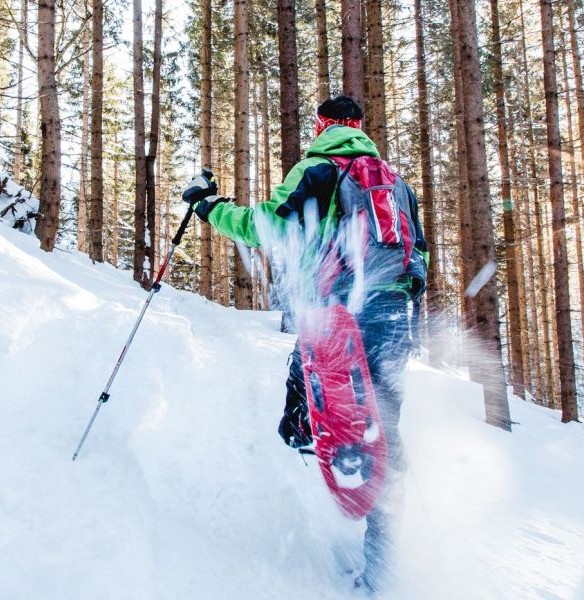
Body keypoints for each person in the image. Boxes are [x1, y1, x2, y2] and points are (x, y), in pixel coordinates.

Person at [181, 95, 428, 593]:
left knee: (300, 412)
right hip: (393, 317)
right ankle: (387, 569)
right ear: (359, 127)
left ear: (322, 126)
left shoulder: (316, 170)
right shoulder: (395, 181)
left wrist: (210, 208)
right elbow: (417, 249)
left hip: (337, 315)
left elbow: (267, 226)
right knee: (388, 433)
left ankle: (322, 442)